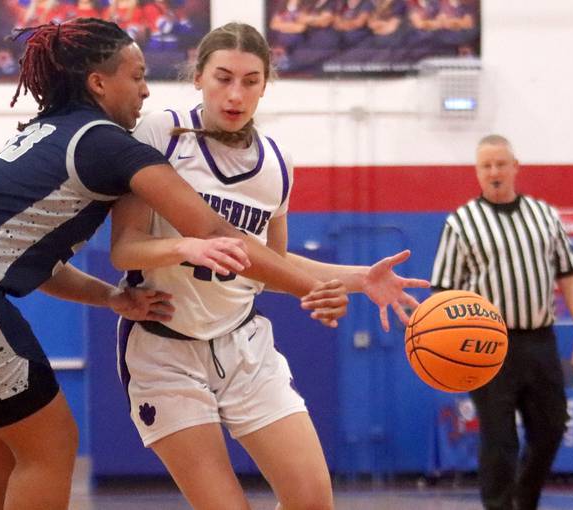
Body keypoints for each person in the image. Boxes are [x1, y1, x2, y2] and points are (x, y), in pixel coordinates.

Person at [0, 18, 346, 510]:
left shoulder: (53, 133)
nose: (144, 89)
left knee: (2, 462)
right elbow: (215, 232)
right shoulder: (109, 142)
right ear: (99, 82)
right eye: (136, 77)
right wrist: (311, 285)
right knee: (50, 449)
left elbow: (42, 266)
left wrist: (112, 297)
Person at [110, 22, 430, 509]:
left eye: (250, 80)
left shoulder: (277, 164)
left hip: (243, 345)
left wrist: (360, 280)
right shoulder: (162, 133)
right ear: (198, 77)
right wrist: (185, 247)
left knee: (313, 501)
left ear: (266, 84)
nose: (235, 93)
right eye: (223, 77)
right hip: (163, 349)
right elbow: (125, 248)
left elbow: (272, 264)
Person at [430, 134, 573, 510]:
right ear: (477, 172)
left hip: (539, 339)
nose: (494, 171)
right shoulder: (461, 223)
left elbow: (570, 276)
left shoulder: (544, 215)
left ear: (515, 167)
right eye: (486, 165)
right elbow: (443, 294)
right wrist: (450, 350)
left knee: (553, 427)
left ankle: (525, 498)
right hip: (487, 346)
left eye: (500, 164)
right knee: (500, 438)